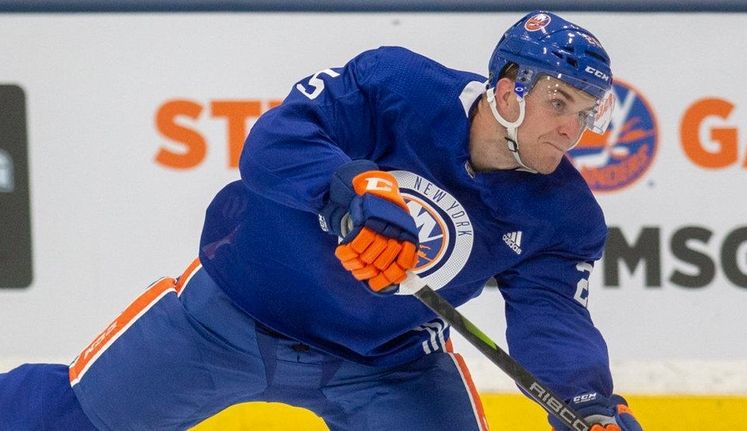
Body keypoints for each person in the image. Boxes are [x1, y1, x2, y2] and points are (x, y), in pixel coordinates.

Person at [0, 10, 643, 431]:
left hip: (387, 364)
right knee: (67, 418)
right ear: (509, 90)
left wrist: (588, 401)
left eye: (587, 113)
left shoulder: (565, 214)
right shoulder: (396, 85)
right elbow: (275, 142)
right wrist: (352, 189)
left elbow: (554, 320)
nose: (573, 128)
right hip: (230, 315)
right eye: (560, 102)